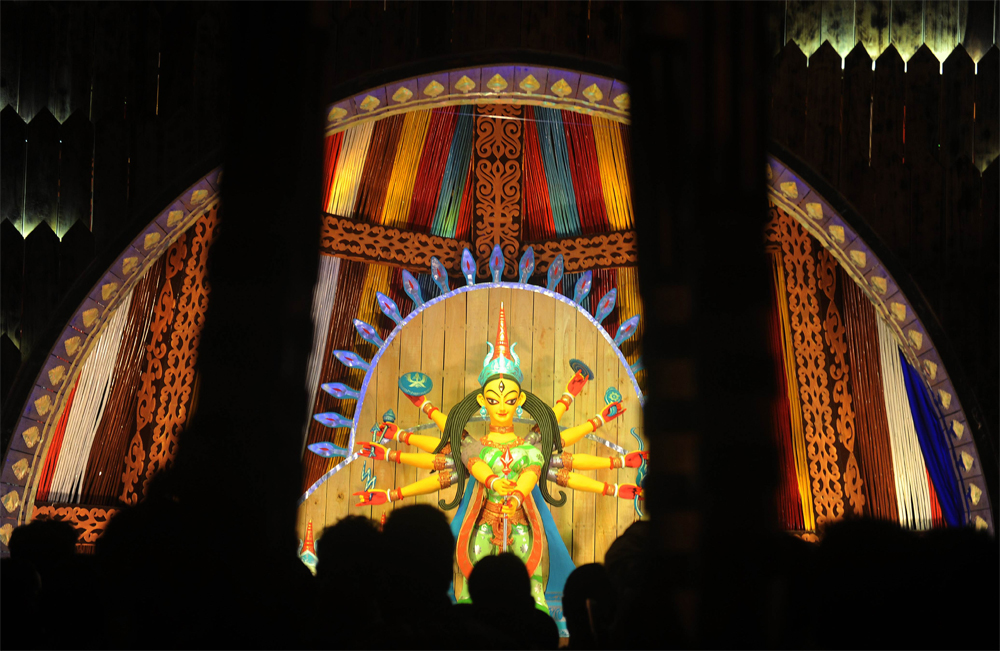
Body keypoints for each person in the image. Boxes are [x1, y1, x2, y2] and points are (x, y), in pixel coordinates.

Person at [353, 305, 644, 610]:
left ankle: (533, 601)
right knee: (472, 566)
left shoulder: (530, 445)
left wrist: (520, 493)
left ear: (519, 401)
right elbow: (456, 452)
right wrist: (396, 456)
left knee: (528, 573)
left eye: (508, 400)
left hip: (521, 519)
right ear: (481, 402)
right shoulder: (474, 447)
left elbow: (540, 462)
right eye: (493, 400)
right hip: (482, 517)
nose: (501, 407)